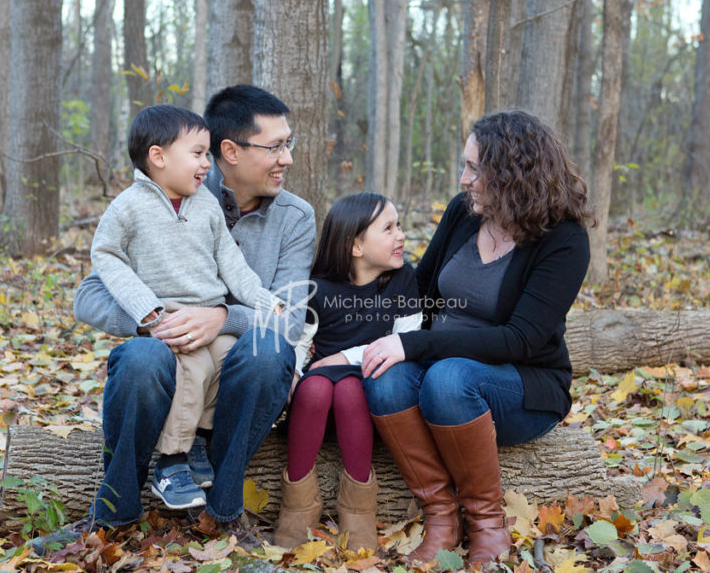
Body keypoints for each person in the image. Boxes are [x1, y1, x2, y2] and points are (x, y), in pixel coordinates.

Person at [32, 85, 314, 554]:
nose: (287, 158)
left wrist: (220, 317)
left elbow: (288, 317)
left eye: (290, 143)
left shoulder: (295, 217)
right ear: (230, 151)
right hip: (164, 354)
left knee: (271, 352)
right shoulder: (159, 198)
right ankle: (112, 513)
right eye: (276, 146)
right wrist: (158, 322)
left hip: (236, 371)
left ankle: (225, 513)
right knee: (141, 357)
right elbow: (89, 295)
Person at [359, 110, 592, 566]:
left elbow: (520, 340)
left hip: (521, 387)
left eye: (475, 169)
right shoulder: (464, 214)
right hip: (438, 372)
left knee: (449, 379)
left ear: (513, 174)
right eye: (465, 166)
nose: (464, 179)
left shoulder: (564, 239)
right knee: (383, 379)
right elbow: (421, 293)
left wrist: (414, 347)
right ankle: (441, 517)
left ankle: (488, 525)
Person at [89, 104, 283, 511]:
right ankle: (171, 462)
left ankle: (197, 443)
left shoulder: (206, 206)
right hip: (169, 313)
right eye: (196, 153)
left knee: (232, 360)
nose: (206, 165)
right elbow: (105, 256)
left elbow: (230, 260)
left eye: (208, 154)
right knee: (189, 363)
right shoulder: (129, 207)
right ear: (158, 157)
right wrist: (145, 310)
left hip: (213, 313)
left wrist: (259, 298)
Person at [274, 193, 421, 553]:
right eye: (388, 228)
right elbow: (297, 341)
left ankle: (357, 510)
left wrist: (343, 357)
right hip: (316, 408)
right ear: (355, 245)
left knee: (349, 390)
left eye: (399, 225)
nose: (401, 235)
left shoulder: (403, 281)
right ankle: (298, 506)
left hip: (364, 401)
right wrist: (292, 373)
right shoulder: (320, 288)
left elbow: (409, 341)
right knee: (317, 388)